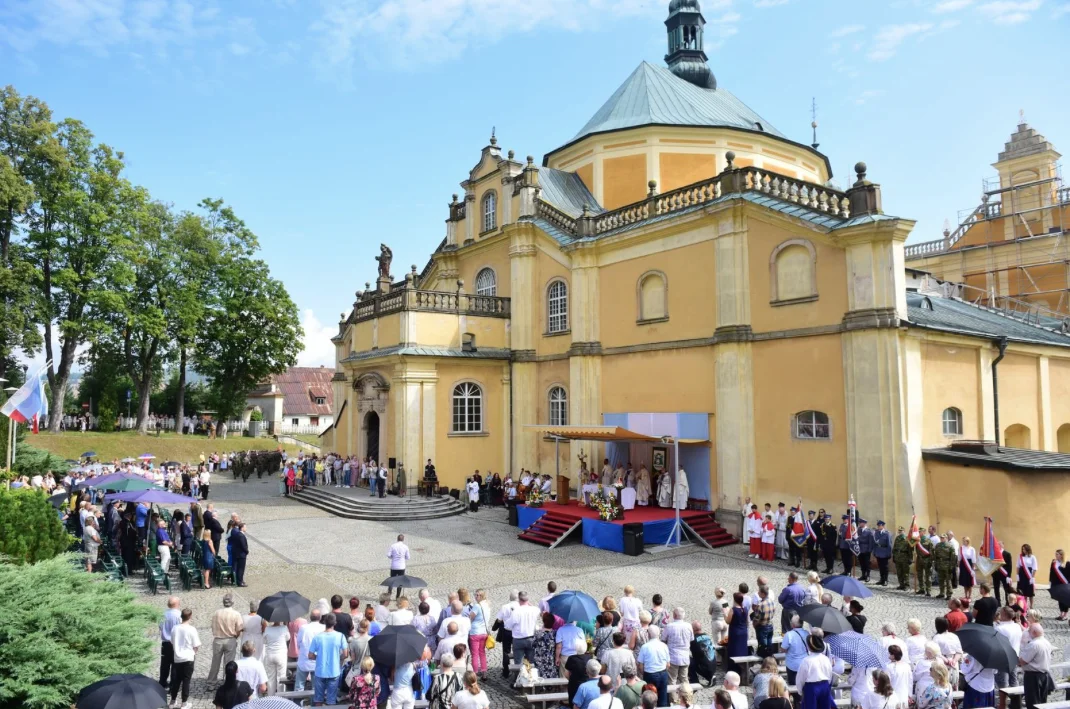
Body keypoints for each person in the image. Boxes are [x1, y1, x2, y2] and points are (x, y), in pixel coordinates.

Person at [308, 612, 349, 706]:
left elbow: (310, 655)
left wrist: (318, 657)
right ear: (335, 623)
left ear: (325, 623)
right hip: (334, 670)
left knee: (318, 699)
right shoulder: (340, 636)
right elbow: (345, 654)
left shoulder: (317, 637)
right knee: (331, 700)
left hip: (320, 670)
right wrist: (338, 658)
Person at [208, 594, 245, 683]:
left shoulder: (216, 613)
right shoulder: (236, 614)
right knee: (229, 663)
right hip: (230, 640)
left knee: (215, 662)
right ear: (232, 602)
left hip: (218, 640)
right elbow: (239, 629)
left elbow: (212, 626)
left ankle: (211, 682)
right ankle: (228, 681)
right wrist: (236, 636)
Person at [169, 608, 201, 709]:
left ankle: (172, 701)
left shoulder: (175, 628)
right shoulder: (192, 629)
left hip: (177, 658)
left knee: (176, 680)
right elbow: (196, 645)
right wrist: (193, 652)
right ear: (190, 616)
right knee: (186, 681)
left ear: (181, 617)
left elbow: (172, 641)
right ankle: (184, 703)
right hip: (188, 658)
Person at [1019, 623, 1054, 709]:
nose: (1028, 633)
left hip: (1033, 677)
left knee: (1032, 703)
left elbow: (1023, 661)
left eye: (1029, 631)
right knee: (1042, 702)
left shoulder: (1034, 644)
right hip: (1044, 675)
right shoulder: (1046, 642)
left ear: (1034, 632)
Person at [796, 634, 835, 709]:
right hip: (824, 685)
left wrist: (800, 691)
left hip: (811, 688)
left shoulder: (806, 661)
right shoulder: (825, 659)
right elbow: (830, 674)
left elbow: (801, 678)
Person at [636, 625, 670, 708]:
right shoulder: (664, 646)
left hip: (649, 674)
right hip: (663, 674)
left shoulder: (645, 647)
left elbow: (640, 665)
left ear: (648, 634)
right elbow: (668, 664)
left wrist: (644, 673)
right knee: (663, 698)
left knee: (649, 699)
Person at [508, 590, 541, 667]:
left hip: (518, 640)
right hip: (531, 639)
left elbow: (508, 625)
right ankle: (531, 677)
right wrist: (529, 604)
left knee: (518, 664)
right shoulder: (535, 610)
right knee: (531, 663)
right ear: (528, 599)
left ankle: (518, 678)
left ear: (519, 599)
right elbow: (538, 610)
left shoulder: (516, 611)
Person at [295, 609, 326, 692]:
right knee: (316, 688)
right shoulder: (323, 628)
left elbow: (298, 643)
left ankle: (297, 703)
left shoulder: (303, 628)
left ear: (310, 617)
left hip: (304, 659)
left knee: (299, 686)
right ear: (320, 618)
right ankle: (314, 704)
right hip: (317, 661)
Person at [159, 596, 183, 688]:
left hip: (165, 643)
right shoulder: (179, 615)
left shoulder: (163, 614)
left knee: (164, 664)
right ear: (177, 604)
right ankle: (173, 684)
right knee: (175, 664)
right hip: (175, 643)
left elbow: (160, 627)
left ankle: (162, 682)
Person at [566, 636, 595, 708]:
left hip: (574, 684)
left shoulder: (571, 658)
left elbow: (567, 673)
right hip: (587, 683)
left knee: (573, 704)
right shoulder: (589, 657)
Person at [262, 619, 290, 695]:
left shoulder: (268, 629)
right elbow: (288, 638)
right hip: (281, 655)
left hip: (270, 654)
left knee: (270, 678)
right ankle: (281, 697)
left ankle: (271, 697)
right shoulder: (284, 628)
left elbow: (264, 641)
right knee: (281, 677)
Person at [781, 614, 810, 686]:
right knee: (804, 683)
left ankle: (797, 697)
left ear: (792, 625)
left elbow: (783, 649)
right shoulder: (807, 633)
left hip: (792, 664)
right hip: (804, 663)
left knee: (793, 684)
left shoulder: (789, 635)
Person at [534, 612, 561, 680]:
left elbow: (533, 645)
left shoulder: (538, 633)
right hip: (550, 660)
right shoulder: (555, 633)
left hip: (539, 661)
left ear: (543, 621)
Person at [687, 620, 716, 687]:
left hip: (705, 667)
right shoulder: (707, 636)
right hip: (714, 664)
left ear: (693, 629)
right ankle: (710, 675)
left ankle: (694, 680)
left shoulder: (693, 640)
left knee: (687, 659)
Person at [933, 534, 956, 600]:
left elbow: (953, 557)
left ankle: (949, 594)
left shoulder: (950, 546)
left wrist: (951, 567)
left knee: (948, 580)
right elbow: (935, 556)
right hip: (940, 564)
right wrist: (936, 564)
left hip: (947, 565)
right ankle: (941, 593)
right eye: (941, 538)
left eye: (943, 538)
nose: (942, 539)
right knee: (940, 580)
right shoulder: (938, 545)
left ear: (946, 538)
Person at [388, 534, 410, 599]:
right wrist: (403, 558)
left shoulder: (393, 546)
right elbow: (408, 557)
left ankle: (389, 594)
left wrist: (393, 557)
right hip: (401, 566)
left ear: (397, 539)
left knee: (391, 580)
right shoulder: (405, 547)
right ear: (403, 539)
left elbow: (388, 555)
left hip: (394, 566)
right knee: (400, 582)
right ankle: (397, 597)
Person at [1017, 544, 1038, 611]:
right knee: (1023, 592)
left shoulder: (1032, 557)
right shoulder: (1020, 556)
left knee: (1030, 592)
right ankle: (1025, 606)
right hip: (1021, 575)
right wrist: (1017, 575)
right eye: (1022, 549)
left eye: (1025, 549)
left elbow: (1035, 568)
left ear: (1028, 549)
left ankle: (1031, 606)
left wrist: (1032, 577)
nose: (1023, 550)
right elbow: (1018, 566)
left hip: (1029, 576)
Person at [1051, 549, 1069, 620]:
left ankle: (1065, 614)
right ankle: (1061, 613)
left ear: (1061, 555)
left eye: (1057, 554)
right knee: (1060, 599)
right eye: (1056, 554)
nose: (1056, 555)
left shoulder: (1067, 563)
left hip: (1065, 584)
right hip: (1057, 584)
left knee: (1066, 600)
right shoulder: (1054, 562)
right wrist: (1050, 582)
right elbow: (1051, 573)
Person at [230, 522, 249, 587]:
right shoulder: (241, 535)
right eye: (245, 527)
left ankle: (238, 580)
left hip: (237, 553)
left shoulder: (237, 534)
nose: (246, 528)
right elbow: (243, 545)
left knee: (238, 568)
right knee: (241, 568)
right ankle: (240, 582)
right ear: (242, 528)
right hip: (241, 554)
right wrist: (247, 551)